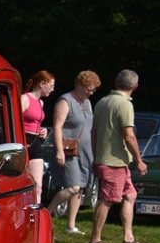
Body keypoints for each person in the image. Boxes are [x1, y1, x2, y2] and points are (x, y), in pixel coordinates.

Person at [87, 69, 148, 243]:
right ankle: (95, 239)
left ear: (115, 82)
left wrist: (96, 157)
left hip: (112, 160)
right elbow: (129, 136)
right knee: (107, 199)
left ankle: (128, 238)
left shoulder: (102, 102)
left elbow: (94, 133)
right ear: (135, 87)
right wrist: (139, 160)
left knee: (130, 195)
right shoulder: (124, 104)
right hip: (114, 162)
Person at [46, 71, 102, 234]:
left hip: (86, 152)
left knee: (81, 187)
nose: (91, 93)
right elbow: (57, 127)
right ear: (78, 85)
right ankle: (46, 214)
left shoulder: (87, 103)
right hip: (69, 151)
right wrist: (59, 151)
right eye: (88, 89)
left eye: (93, 90)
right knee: (74, 187)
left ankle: (70, 225)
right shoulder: (65, 101)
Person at [21, 71, 56, 203]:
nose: (52, 90)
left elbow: (36, 122)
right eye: (51, 86)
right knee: (22, 183)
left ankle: (36, 212)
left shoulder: (40, 103)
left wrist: (43, 131)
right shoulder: (25, 99)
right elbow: (13, 121)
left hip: (35, 142)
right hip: (23, 140)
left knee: (38, 186)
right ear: (42, 84)